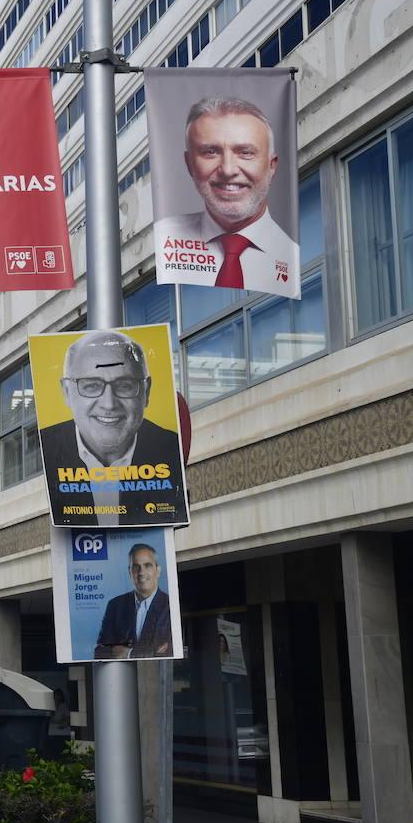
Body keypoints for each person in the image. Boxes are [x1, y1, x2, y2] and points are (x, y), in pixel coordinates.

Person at [40, 330, 186, 525]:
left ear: (146, 391)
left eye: (124, 385)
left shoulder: (172, 449)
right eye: (91, 385)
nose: (109, 404)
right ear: (67, 392)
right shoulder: (45, 450)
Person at [155, 96, 299, 293]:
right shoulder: (165, 238)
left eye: (245, 152)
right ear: (189, 164)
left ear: (272, 166)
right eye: (211, 152)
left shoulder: (292, 255)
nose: (228, 170)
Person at [93, 543, 173, 659]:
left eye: (147, 565)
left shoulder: (170, 605)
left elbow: (169, 651)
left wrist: (129, 653)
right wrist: (150, 649)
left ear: (158, 570)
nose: (141, 572)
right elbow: (100, 652)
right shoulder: (115, 606)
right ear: (130, 572)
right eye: (136, 566)